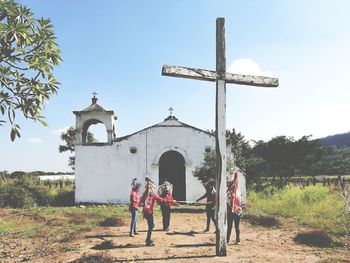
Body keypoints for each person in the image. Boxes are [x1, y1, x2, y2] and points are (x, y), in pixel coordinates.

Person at [140, 178, 169, 246]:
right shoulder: (152, 195)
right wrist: (169, 201)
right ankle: (148, 241)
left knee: (151, 225)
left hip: (145, 212)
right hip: (149, 212)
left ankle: (148, 239)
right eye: (153, 187)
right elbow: (161, 199)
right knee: (151, 226)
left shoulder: (145, 194)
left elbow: (141, 201)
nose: (154, 188)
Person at [227, 172, 243, 245]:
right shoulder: (228, 193)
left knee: (237, 227)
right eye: (230, 185)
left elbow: (235, 182)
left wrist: (236, 176)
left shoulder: (237, 192)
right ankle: (227, 240)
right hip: (230, 212)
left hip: (237, 212)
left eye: (232, 185)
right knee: (229, 227)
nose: (232, 186)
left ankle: (238, 240)